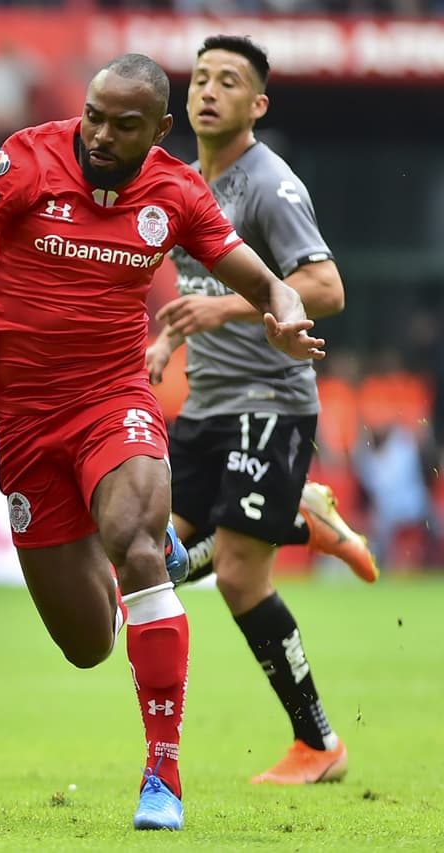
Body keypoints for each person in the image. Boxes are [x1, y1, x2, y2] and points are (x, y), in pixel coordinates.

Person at [0, 53, 326, 832]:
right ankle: (173, 561)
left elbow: (267, 279)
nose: (101, 135)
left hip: (114, 399)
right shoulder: (27, 160)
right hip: (24, 419)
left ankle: (163, 773)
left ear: (158, 130)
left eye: (125, 125)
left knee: (137, 545)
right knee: (87, 642)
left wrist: (284, 311)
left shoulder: (176, 191)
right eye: (93, 115)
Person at [145, 35, 375, 787]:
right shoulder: (181, 180)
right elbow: (193, 292)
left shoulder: (270, 185)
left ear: (257, 104)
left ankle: (320, 745)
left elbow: (327, 287)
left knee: (238, 574)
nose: (208, 91)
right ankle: (299, 517)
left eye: (229, 82)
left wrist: (222, 314)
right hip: (208, 406)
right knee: (151, 563)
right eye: (201, 78)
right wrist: (167, 334)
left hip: (271, 402)